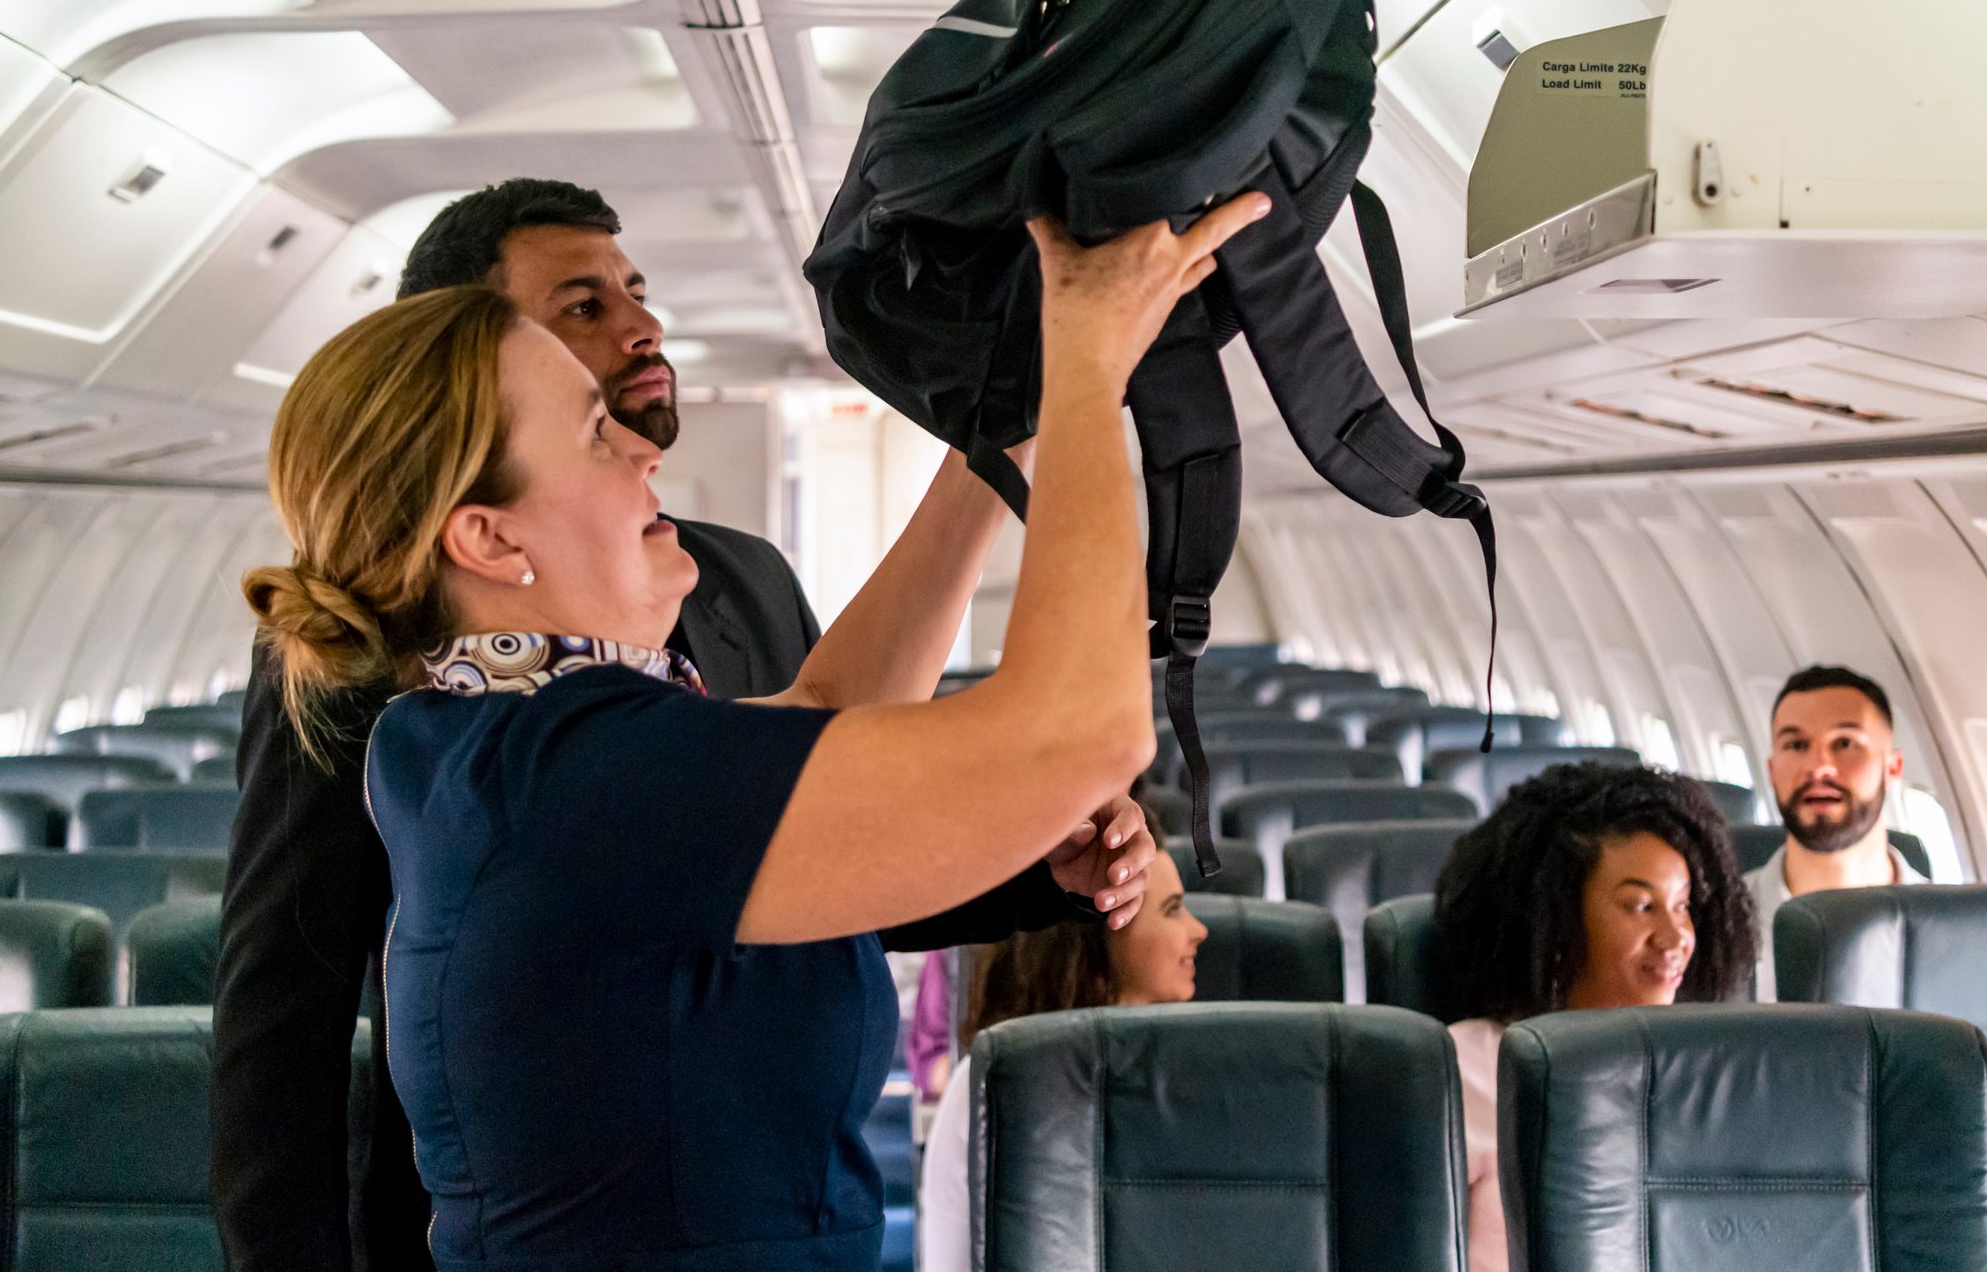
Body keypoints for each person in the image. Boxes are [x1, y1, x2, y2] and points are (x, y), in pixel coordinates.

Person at [241, 191, 1270, 1269]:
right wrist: (1091, 369)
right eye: (593, 433)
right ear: (491, 540)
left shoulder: (482, 737)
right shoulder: (574, 771)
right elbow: (1083, 736)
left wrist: (1012, 420)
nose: (641, 452)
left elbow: (827, 710)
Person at [1433, 763, 1757, 1272]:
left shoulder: (1703, 1071)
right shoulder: (1460, 1071)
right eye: (1641, 906)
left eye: (1682, 906)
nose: (1676, 937)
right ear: (1557, 920)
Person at [919, 803, 1207, 1272]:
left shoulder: (1199, 1070)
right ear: (1095, 944)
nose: (1200, 929)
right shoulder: (989, 1085)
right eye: (1173, 910)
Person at [1747, 664, 1928, 1000]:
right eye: (1796, 745)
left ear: (1892, 767)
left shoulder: (1948, 928)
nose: (1819, 768)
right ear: (1771, 770)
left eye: (1845, 743)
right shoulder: (1712, 924)